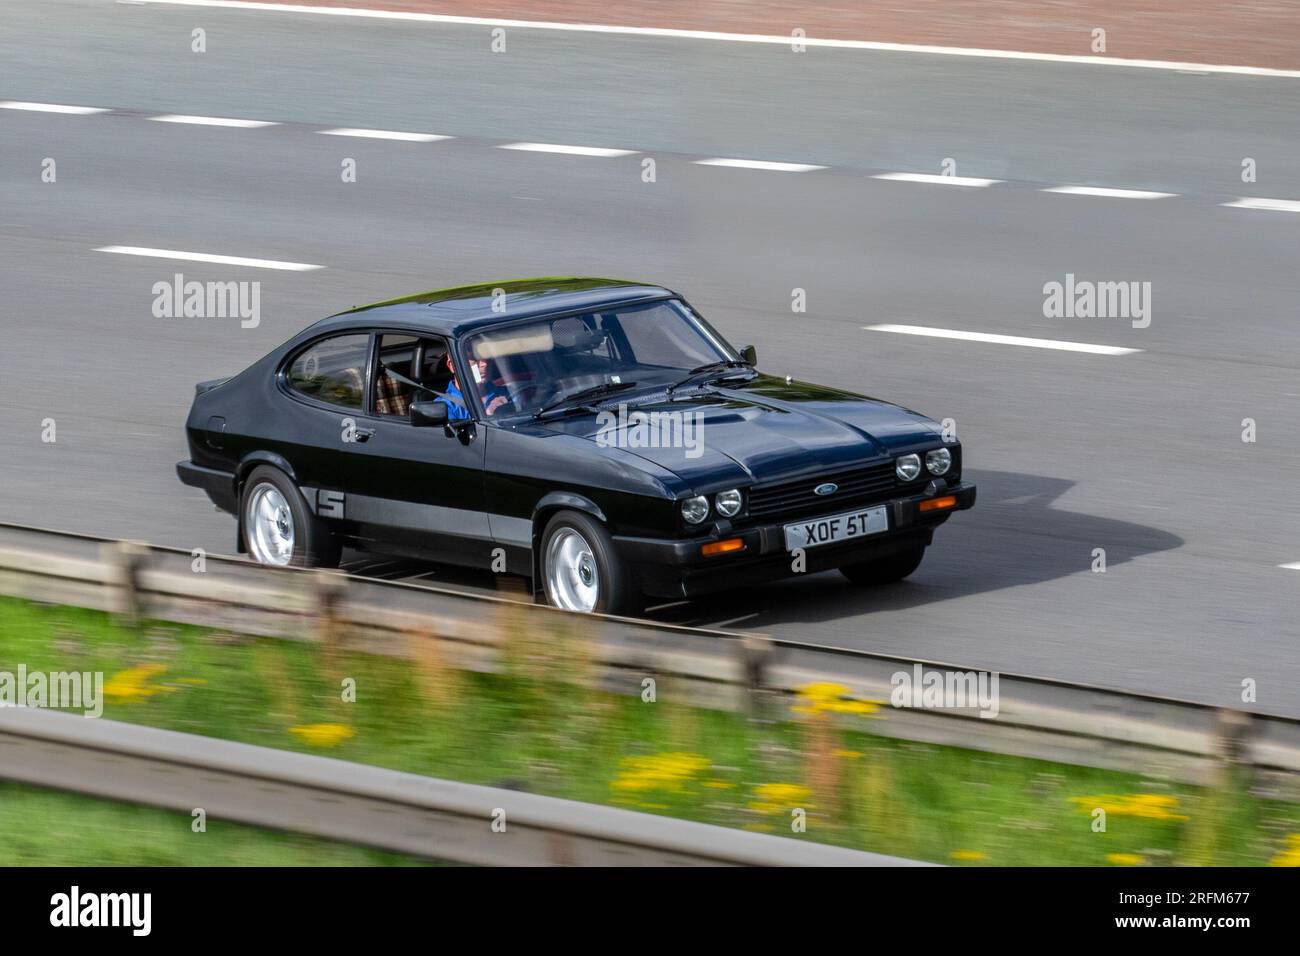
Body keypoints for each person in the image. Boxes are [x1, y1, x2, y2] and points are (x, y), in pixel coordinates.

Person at [437, 349, 509, 420]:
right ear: (453, 366)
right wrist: (488, 418)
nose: (485, 364)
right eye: (474, 358)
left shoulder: (507, 393)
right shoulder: (445, 407)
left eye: (487, 357)